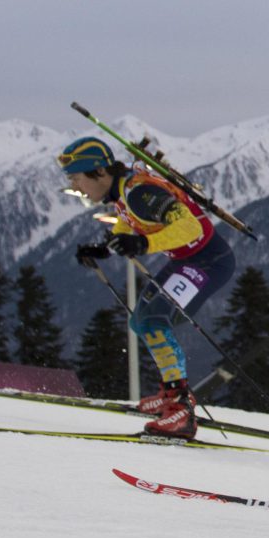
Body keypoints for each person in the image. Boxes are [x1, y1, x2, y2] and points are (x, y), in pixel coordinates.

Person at [60, 136, 235, 438]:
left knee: (154, 319)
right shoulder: (124, 191)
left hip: (208, 262)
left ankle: (179, 408)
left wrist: (143, 243)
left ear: (100, 172)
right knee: (140, 320)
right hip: (189, 260)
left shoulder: (141, 192)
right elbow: (129, 221)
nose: (77, 188)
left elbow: (190, 227)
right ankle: (172, 394)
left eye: (77, 178)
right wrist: (105, 248)